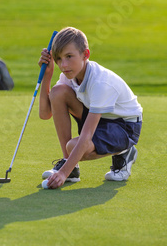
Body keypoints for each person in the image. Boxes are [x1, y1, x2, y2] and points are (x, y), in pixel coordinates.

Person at [38, 27, 143, 189]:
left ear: (85, 55)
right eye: (58, 59)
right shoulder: (68, 76)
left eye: (69, 56)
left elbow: (86, 135)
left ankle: (125, 152)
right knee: (58, 92)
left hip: (124, 126)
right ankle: (71, 167)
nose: (63, 65)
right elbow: (45, 114)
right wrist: (48, 74)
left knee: (73, 146)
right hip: (99, 118)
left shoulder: (100, 82)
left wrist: (62, 174)